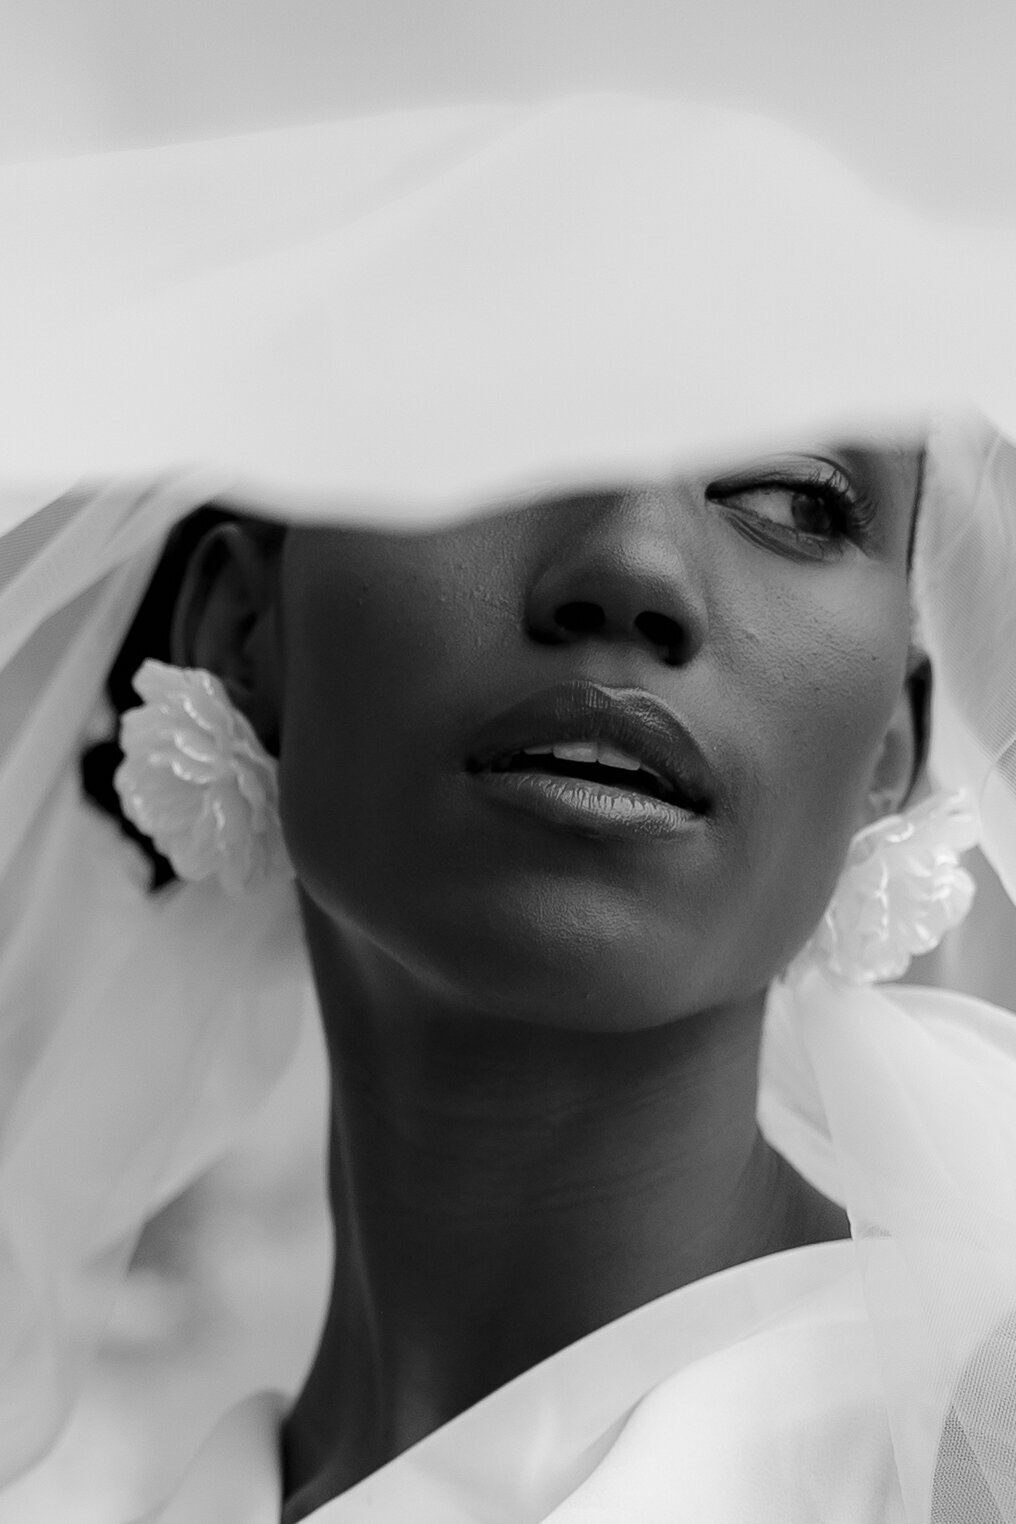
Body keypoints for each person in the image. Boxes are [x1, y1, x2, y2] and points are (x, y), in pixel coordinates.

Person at [1, 95, 1016, 1523]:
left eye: (795, 498)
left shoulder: (970, 1446)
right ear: (241, 627)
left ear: (891, 759)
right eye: (495, 429)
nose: (634, 569)